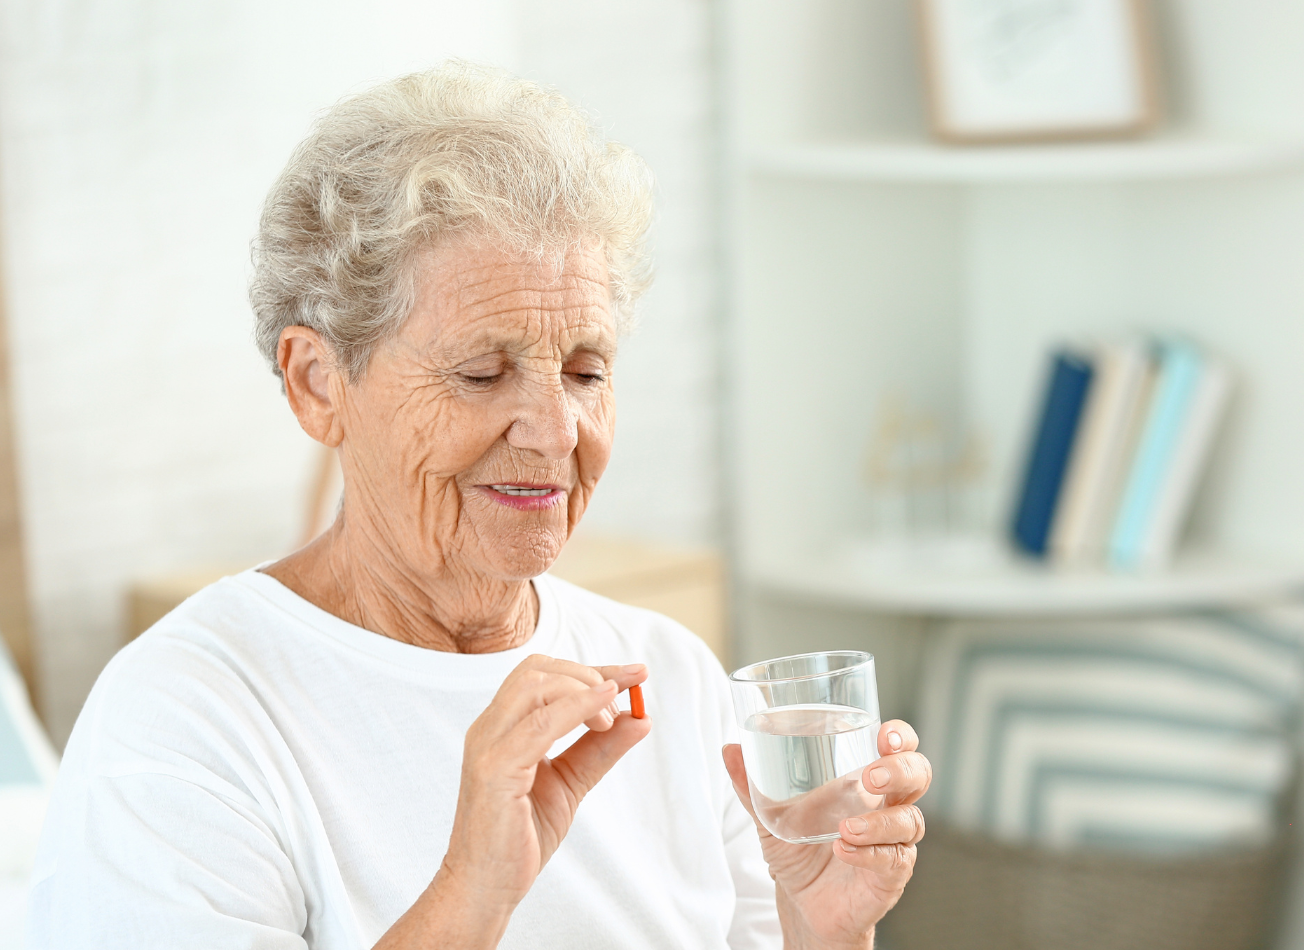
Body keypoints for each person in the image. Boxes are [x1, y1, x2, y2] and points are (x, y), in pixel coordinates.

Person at [27, 62, 931, 949]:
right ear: (317, 383)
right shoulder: (187, 716)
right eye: (481, 373)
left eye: (587, 371)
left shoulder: (672, 677)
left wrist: (821, 930)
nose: (553, 430)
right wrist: (472, 893)